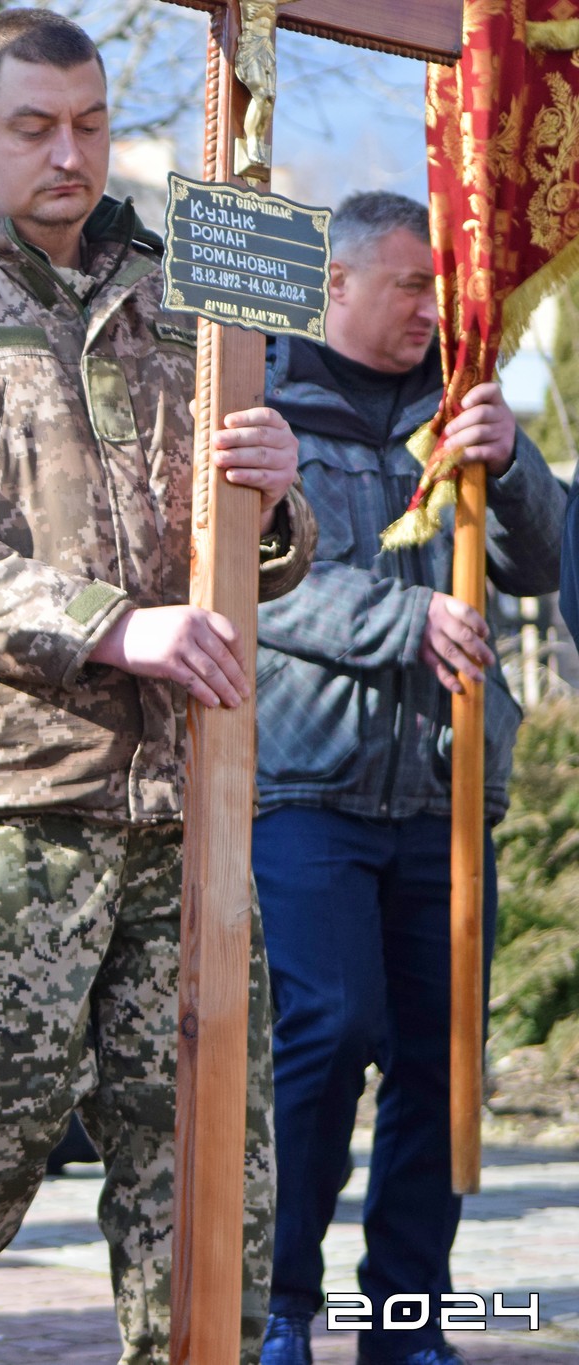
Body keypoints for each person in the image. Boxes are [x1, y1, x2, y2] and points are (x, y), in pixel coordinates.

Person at [0, 11, 318, 1365]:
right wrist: (107, 629)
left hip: (186, 797)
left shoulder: (181, 287)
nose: (70, 151)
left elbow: (256, 548)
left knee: (211, 1178)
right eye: (34, 126)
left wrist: (272, 499)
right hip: (2, 799)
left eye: (89, 123)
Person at [252, 192, 563, 1365]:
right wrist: (401, 619)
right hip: (305, 785)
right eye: (407, 287)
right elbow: (254, 576)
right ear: (333, 286)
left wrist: (510, 455)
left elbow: (535, 565)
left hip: (443, 790)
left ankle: (404, 1316)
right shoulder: (267, 401)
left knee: (440, 1062)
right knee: (324, 1032)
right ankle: (278, 1301)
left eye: (440, 289)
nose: (432, 310)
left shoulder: (458, 406)